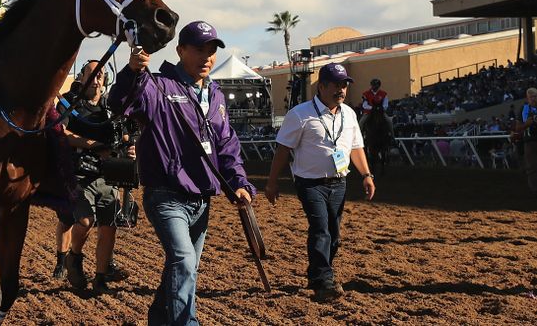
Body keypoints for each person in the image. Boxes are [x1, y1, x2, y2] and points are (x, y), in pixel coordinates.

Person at [108, 20, 255, 325]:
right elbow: (120, 102)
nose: (207, 57)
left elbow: (226, 144)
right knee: (184, 262)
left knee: (183, 267)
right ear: (180, 50)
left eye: (212, 50)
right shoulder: (157, 85)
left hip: (202, 199)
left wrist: (238, 182)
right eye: (199, 50)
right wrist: (132, 71)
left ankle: (160, 318)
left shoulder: (215, 95)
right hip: (165, 195)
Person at [264, 63, 376, 302]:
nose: (342, 89)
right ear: (322, 86)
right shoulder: (300, 114)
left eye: (344, 84)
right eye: (336, 84)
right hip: (309, 183)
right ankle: (324, 279)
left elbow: (355, 147)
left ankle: (318, 274)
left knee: (333, 234)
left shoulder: (349, 114)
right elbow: (283, 149)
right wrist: (272, 182)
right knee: (320, 229)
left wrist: (366, 175)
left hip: (339, 182)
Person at [54, 61, 130, 295]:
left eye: (101, 75)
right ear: (82, 77)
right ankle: (72, 257)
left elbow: (125, 133)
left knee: (108, 228)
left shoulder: (111, 105)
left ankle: (100, 279)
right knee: (85, 221)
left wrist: (129, 146)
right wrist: (93, 145)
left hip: (108, 173)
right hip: (77, 173)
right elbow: (61, 133)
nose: (96, 79)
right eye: (92, 74)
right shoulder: (68, 101)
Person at [520, 87, 537, 196]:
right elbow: (523, 124)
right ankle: (534, 190)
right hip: (530, 141)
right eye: (531, 97)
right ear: (527, 98)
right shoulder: (525, 108)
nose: (534, 98)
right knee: (532, 167)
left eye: (535, 96)